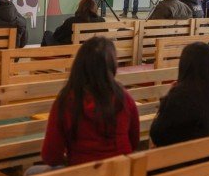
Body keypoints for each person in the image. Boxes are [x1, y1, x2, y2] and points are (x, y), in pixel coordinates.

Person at [40, 37, 140, 168]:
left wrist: (70, 161)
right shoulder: (124, 98)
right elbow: (134, 142)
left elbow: (51, 157)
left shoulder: (67, 101)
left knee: (32, 173)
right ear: (112, 66)